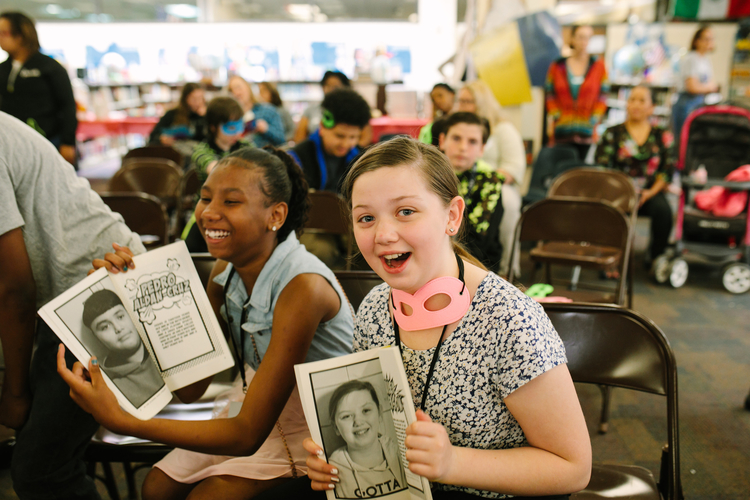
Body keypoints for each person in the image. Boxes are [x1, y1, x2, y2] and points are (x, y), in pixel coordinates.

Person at [296, 137, 591, 499]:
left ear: (452, 216)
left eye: (406, 211)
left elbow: (573, 467)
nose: (384, 235)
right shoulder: (375, 307)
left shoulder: (509, 319)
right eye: (366, 218)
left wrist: (453, 463)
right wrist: (341, 460)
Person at [58, 147, 355, 500]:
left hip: (322, 425)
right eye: (204, 197)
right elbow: (190, 387)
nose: (208, 213)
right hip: (257, 406)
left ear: (275, 215)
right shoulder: (224, 272)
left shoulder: (302, 287)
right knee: (156, 487)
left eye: (231, 202)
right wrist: (129, 294)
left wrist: (125, 421)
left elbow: (246, 435)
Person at [0, 111, 147, 500]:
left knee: (40, 470)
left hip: (94, 287)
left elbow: (14, 288)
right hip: (58, 296)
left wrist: (15, 394)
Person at [595, 85, 675, 267]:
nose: (635, 105)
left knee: (664, 212)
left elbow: (668, 169)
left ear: (652, 107)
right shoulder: (612, 133)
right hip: (618, 190)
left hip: (650, 192)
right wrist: (624, 192)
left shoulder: (662, 135)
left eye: (641, 100)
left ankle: (655, 258)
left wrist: (650, 192)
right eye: (632, 100)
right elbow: (603, 167)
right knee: (611, 212)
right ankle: (611, 260)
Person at [457, 81, 525, 276]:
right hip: (461, 179)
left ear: (482, 102)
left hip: (497, 183)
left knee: (508, 203)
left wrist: (484, 180)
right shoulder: (455, 126)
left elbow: (513, 167)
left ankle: (507, 267)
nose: (462, 106)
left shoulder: (503, 129)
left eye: (468, 101)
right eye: (460, 101)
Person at [0, 12, 77, 165]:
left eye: (3, 33)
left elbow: (67, 105)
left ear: (20, 35)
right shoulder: (3, 69)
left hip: (48, 141)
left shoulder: (49, 67)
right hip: (13, 145)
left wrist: (68, 142)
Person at [183, 96, 253, 252]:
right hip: (207, 212)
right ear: (214, 127)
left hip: (239, 210)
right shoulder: (202, 149)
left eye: (239, 126)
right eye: (230, 128)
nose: (237, 133)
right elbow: (216, 170)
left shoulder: (246, 146)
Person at [438, 111, 504, 271]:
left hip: (475, 264)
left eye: (472, 142)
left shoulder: (490, 180)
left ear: (482, 149)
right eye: (456, 138)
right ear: (442, 140)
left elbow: (478, 242)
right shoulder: (429, 175)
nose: (462, 148)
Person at [81, 289, 164, 409]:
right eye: (105, 327)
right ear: (97, 338)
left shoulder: (163, 344)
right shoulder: (107, 387)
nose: (118, 328)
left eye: (120, 317)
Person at [326, 380, 407, 498]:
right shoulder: (332, 472)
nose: (358, 422)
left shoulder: (401, 452)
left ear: (379, 413)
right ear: (336, 427)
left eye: (366, 410)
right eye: (346, 416)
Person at [289, 88, 372, 193]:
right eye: (340, 136)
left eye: (353, 137)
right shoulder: (298, 158)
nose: (345, 144)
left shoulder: (360, 159)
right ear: (322, 128)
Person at [545, 25, 608, 161]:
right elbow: (550, 94)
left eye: (587, 38)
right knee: (562, 169)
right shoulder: (557, 66)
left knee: (581, 170)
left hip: (587, 130)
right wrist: (557, 115)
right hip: (562, 129)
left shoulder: (598, 66)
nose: (583, 41)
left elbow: (603, 96)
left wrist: (594, 119)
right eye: (580, 37)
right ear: (572, 39)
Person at [672, 25, 718, 146]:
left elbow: (710, 84)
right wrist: (709, 88)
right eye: (706, 39)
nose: (709, 42)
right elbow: (692, 87)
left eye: (711, 39)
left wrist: (708, 87)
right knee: (683, 142)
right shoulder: (691, 59)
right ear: (697, 41)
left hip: (700, 102)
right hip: (687, 103)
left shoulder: (706, 60)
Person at [293, 70, 351, 144]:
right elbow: (299, 138)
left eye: (335, 86)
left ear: (345, 88)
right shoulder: (311, 110)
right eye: (327, 85)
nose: (331, 89)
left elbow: (364, 139)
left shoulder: (352, 111)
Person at [227, 75, 286, 147]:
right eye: (231, 90)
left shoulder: (268, 110)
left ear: (248, 87)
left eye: (238, 87)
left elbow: (282, 140)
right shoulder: (230, 118)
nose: (236, 92)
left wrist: (266, 129)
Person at [148, 82, 207, 147]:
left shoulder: (206, 115)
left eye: (200, 98)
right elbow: (153, 136)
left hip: (200, 153)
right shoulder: (172, 114)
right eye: (194, 99)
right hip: (176, 153)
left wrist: (204, 117)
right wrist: (162, 139)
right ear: (185, 99)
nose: (198, 102)